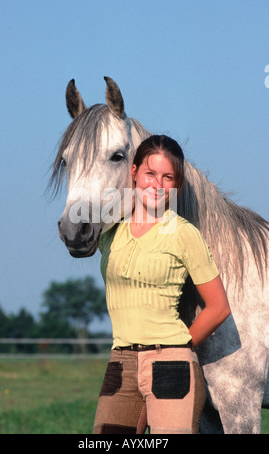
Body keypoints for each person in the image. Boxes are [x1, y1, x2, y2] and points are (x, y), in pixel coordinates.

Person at [93, 135, 231, 434]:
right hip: (121, 361)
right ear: (133, 173)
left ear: (176, 184)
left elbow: (218, 307)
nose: (157, 184)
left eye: (168, 177)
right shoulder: (111, 231)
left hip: (171, 362)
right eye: (150, 174)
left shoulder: (183, 233)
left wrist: (177, 349)